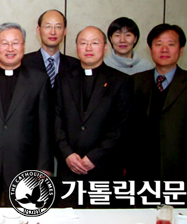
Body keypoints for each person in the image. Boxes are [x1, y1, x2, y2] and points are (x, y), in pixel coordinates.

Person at [0, 22, 53, 207]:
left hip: (24, 166)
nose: (10, 48)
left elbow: (45, 127)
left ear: (24, 46)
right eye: (4, 43)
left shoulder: (38, 80)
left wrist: (44, 167)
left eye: (15, 43)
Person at [55, 26, 133, 208]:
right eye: (83, 43)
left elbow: (121, 127)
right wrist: (67, 154)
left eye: (94, 43)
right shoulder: (64, 79)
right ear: (77, 47)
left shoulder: (121, 81)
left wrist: (94, 157)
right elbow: (56, 120)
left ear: (105, 48)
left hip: (105, 170)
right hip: (70, 169)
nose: (88, 48)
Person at [128, 24, 187, 206]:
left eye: (171, 44)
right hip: (141, 170)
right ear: (150, 49)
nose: (164, 49)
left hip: (178, 171)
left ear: (181, 50)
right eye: (159, 44)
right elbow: (127, 127)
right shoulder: (135, 82)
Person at [23, 9, 80, 88]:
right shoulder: (24, 63)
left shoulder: (76, 66)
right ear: (38, 30)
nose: (53, 32)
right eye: (48, 26)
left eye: (58, 27)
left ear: (65, 31)